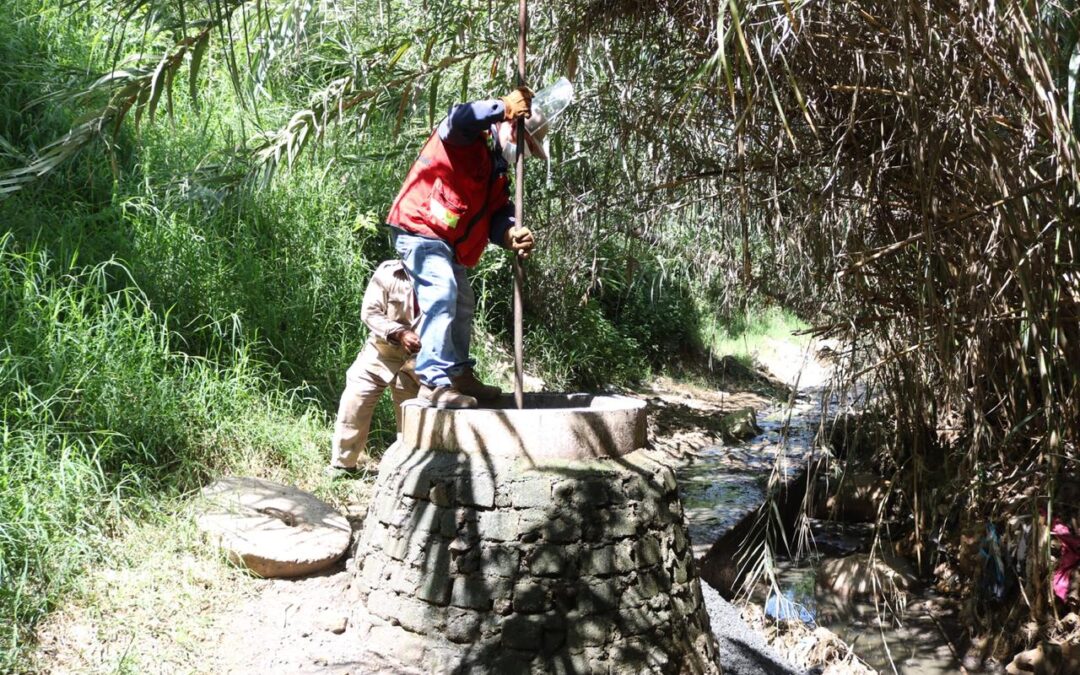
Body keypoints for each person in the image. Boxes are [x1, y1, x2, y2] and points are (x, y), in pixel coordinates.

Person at [385, 86, 541, 408]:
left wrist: (510, 233)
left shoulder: (496, 171)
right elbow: (457, 117)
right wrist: (502, 107)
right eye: (525, 140)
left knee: (463, 302)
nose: (523, 149)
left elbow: (498, 213)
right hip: (419, 227)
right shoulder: (470, 135)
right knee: (442, 294)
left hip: (446, 242)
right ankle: (432, 381)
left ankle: (458, 374)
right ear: (511, 128)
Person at [329, 259, 422, 474]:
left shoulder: (441, 273)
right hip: (380, 353)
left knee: (412, 419)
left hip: (418, 362)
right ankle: (343, 466)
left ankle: (406, 472)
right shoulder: (389, 272)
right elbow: (370, 312)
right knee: (354, 402)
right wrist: (399, 333)